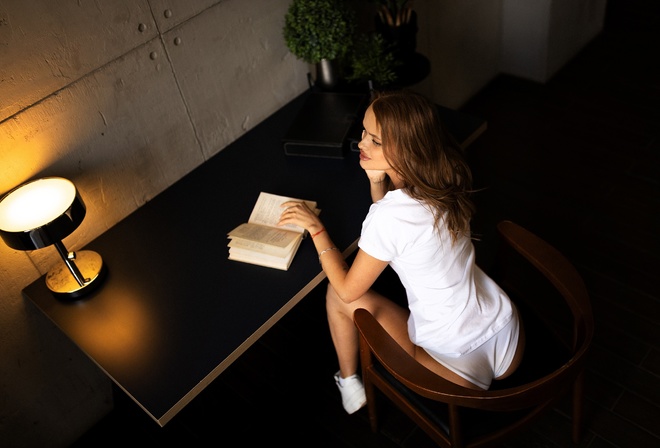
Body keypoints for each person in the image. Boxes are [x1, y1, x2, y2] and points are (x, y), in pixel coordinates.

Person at [278, 90, 525, 414]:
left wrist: (317, 230)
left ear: (406, 149)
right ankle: (350, 379)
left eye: (375, 141)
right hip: (507, 336)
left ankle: (348, 378)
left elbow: (349, 289)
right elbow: (400, 227)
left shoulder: (390, 219)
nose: (361, 144)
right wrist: (376, 181)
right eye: (363, 132)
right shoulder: (449, 173)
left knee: (336, 296)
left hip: (455, 370)